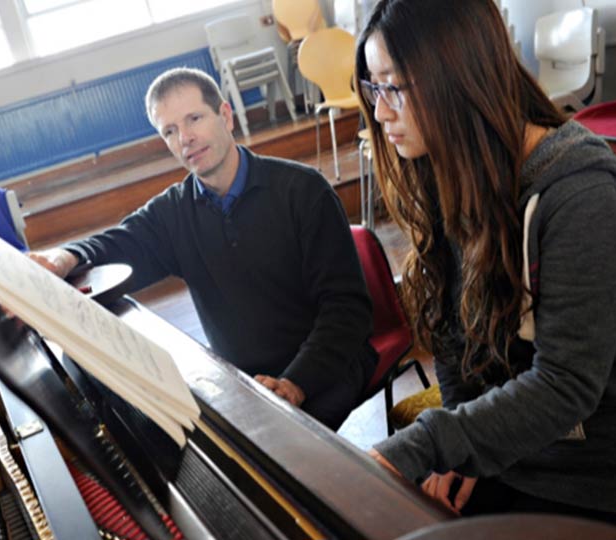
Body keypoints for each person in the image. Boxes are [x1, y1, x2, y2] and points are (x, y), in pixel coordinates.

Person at [355, 0, 616, 536]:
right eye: (373, 87)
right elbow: (452, 337)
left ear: (457, 77)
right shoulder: (452, 170)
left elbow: (566, 385)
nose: (380, 112)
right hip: (525, 456)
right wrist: (468, 449)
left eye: (394, 87)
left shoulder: (583, 194)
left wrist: (434, 441)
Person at [28, 67, 377, 430]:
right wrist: (62, 257)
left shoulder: (303, 191)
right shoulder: (174, 212)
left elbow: (347, 311)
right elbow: (119, 243)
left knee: (286, 461)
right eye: (170, 131)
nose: (185, 139)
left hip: (327, 365)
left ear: (225, 116)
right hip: (247, 383)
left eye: (194, 118)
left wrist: (294, 384)